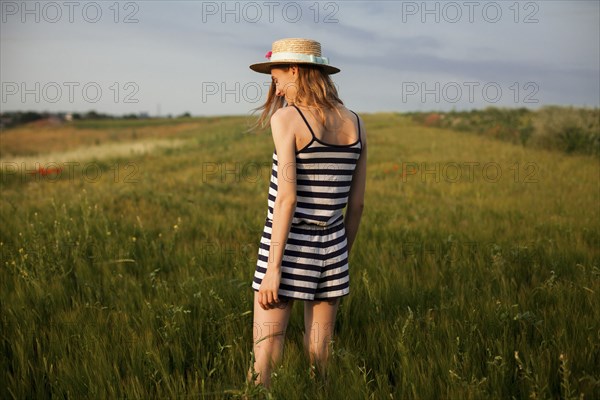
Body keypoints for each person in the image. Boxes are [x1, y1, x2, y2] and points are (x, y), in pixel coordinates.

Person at [246, 38, 367, 389]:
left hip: (287, 242)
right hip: (334, 245)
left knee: (264, 362)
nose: (275, 84)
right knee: (322, 363)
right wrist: (340, 253)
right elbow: (357, 205)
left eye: (277, 75)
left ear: (296, 70)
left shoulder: (287, 118)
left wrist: (273, 268)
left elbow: (287, 197)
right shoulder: (355, 122)